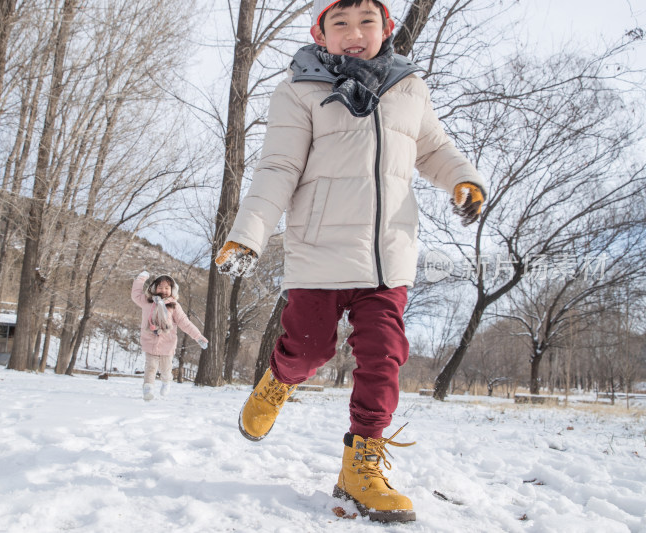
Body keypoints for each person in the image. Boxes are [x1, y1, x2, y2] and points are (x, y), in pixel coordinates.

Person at [214, 0, 485, 523]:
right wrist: (246, 236)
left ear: (385, 28)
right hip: (319, 252)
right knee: (310, 349)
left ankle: (361, 463)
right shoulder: (299, 90)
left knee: (384, 357)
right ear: (321, 31)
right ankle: (278, 380)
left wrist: (464, 180)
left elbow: (434, 150)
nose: (355, 33)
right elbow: (278, 168)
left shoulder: (409, 88)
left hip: (388, 259)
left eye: (367, 22)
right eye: (340, 23)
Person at [131, 271, 207, 401]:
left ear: (172, 290)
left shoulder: (174, 306)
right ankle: (148, 389)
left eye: (167, 288)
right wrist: (141, 278)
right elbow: (135, 294)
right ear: (154, 288)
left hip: (167, 345)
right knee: (150, 367)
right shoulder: (146, 301)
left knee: (165, 369)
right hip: (149, 342)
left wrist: (198, 336)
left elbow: (185, 323)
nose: (163, 290)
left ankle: (166, 382)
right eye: (160, 287)